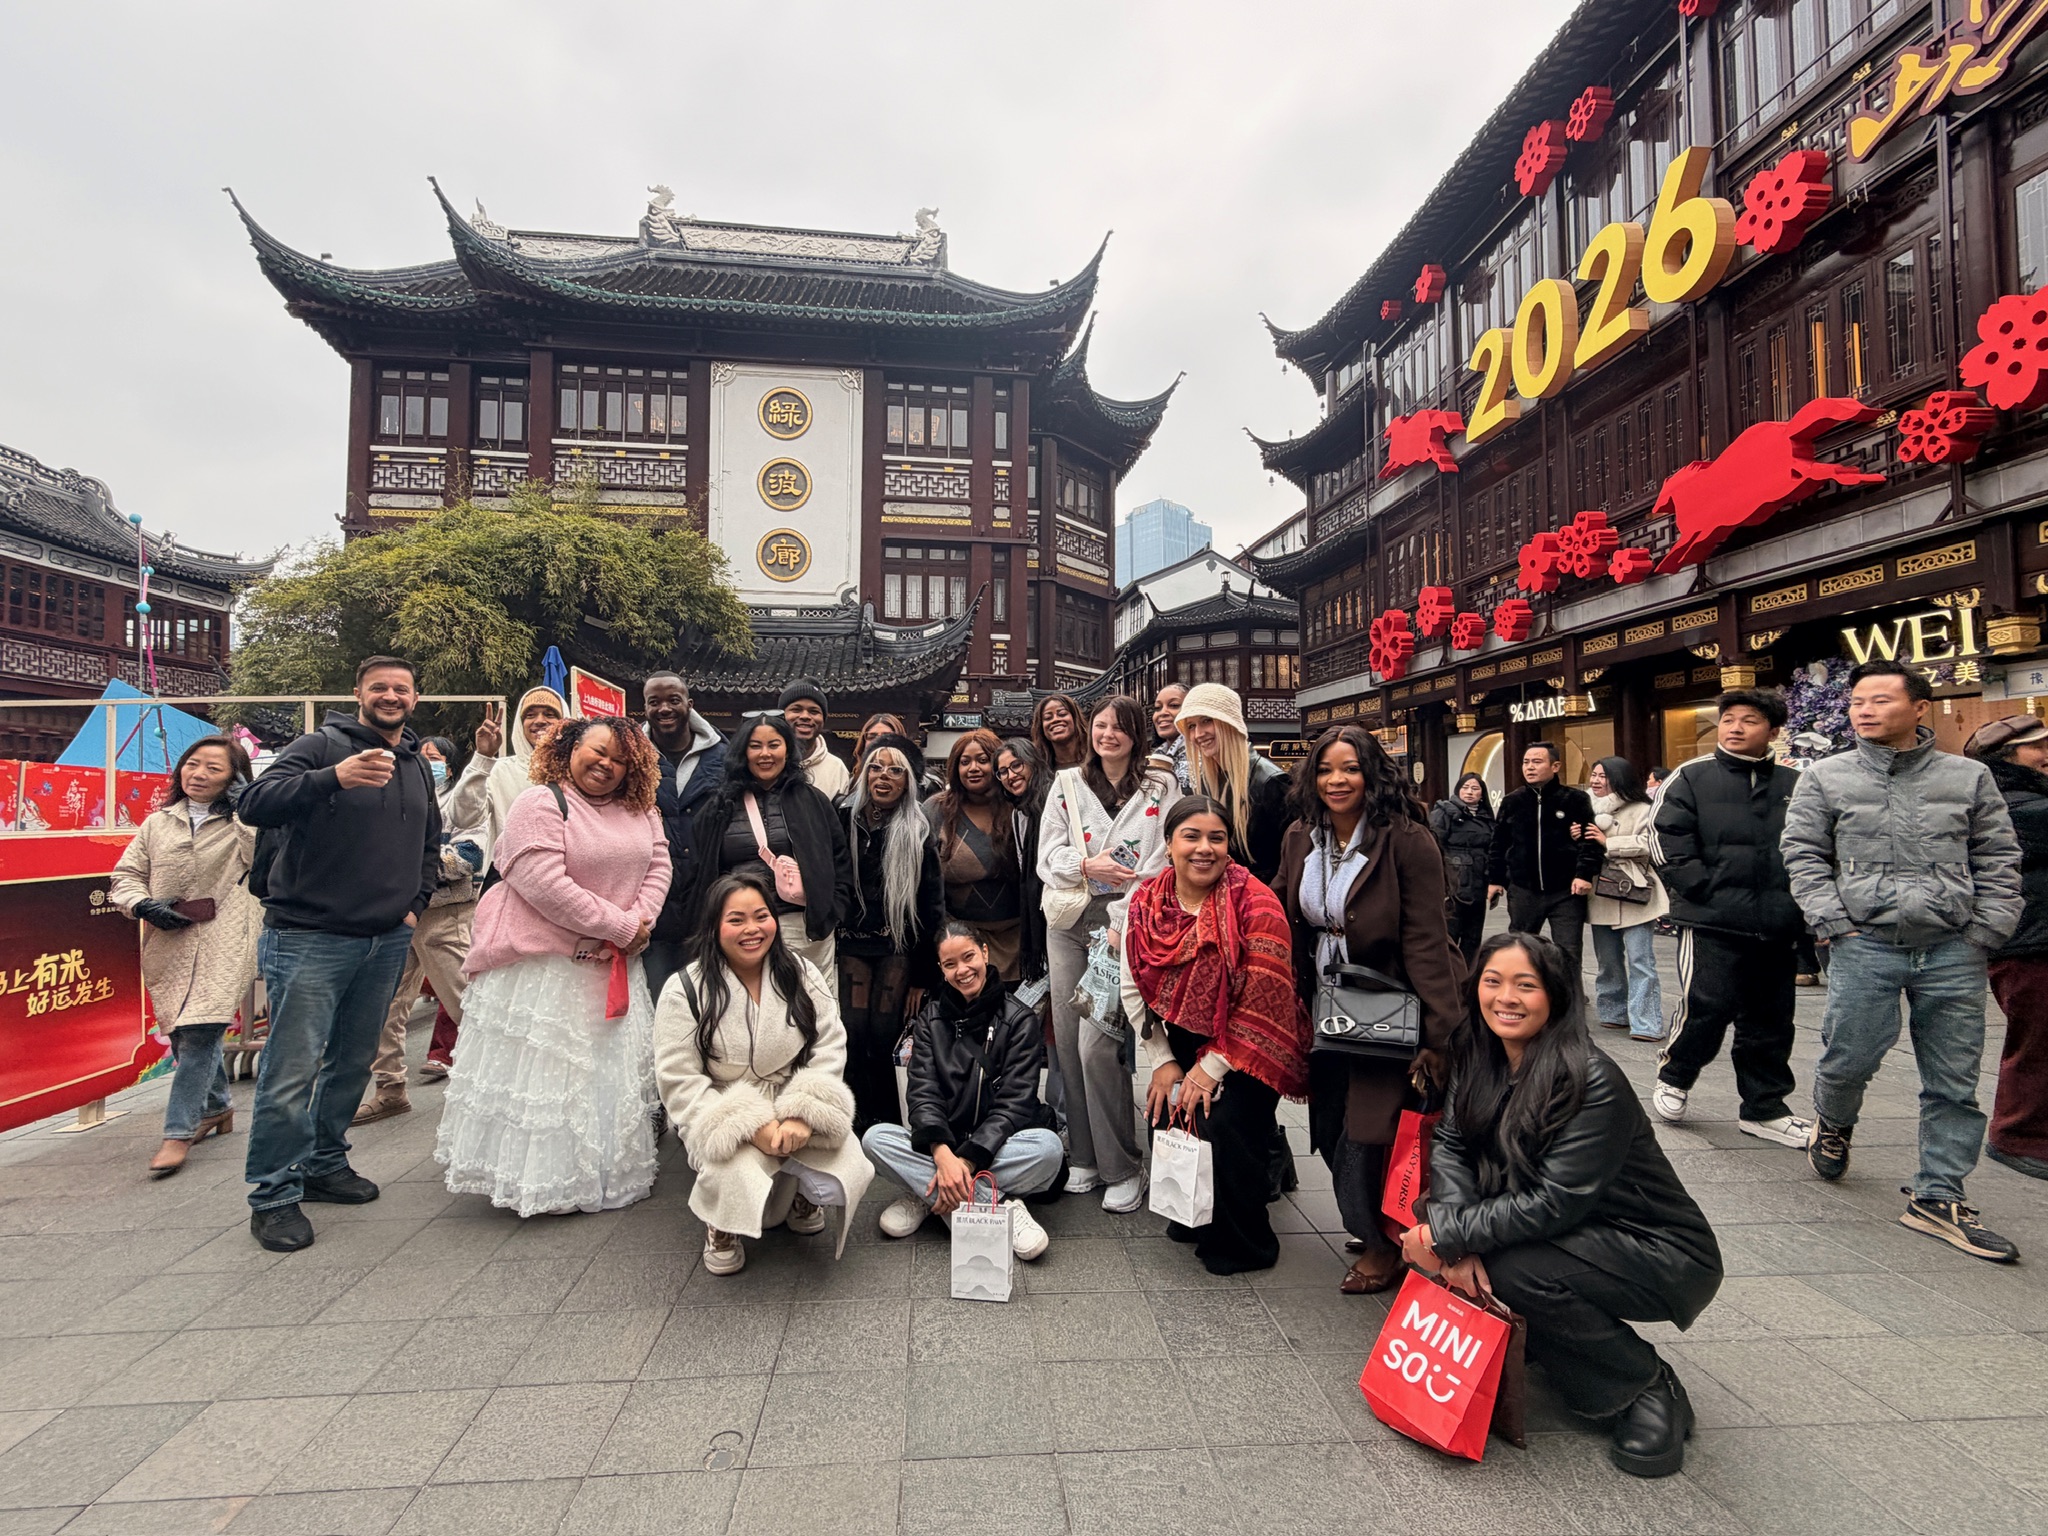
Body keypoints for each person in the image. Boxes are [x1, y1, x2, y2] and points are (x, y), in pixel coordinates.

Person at [1402, 933, 1722, 1480]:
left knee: (1510, 1268)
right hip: (1571, 1231)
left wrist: (1445, 1236)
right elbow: (1452, 1144)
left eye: (1526, 985)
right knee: (1457, 1232)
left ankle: (1642, 1384)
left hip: (1656, 1249)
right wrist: (1453, 1240)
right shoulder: (1478, 1054)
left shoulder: (1591, 1078)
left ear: (1556, 996)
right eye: (1493, 982)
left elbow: (1554, 1203)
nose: (1507, 998)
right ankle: (1555, 1343)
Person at [1784, 659, 2023, 1261]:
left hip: (1953, 947)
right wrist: (1833, 923)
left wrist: (1985, 931)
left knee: (1954, 1080)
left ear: (1920, 708)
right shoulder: (1825, 777)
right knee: (1848, 1061)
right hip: (1864, 944)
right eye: (1857, 700)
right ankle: (1833, 1122)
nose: (1864, 710)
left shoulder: (1968, 777)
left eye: (1881, 700)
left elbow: (1998, 855)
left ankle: (1938, 1194)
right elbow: (1803, 854)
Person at [235, 656, 442, 1252]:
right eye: (379, 686)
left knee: (353, 1062)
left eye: (401, 688)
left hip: (385, 939)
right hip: (309, 936)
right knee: (291, 1070)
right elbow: (254, 802)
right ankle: (273, 1194)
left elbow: (430, 840)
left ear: (415, 698)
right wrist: (334, 778)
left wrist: (415, 903)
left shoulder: (415, 766)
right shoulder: (320, 746)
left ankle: (325, 1162)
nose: (390, 696)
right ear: (358, 693)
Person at [435, 716, 670, 1216]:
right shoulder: (540, 801)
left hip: (611, 961)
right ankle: (541, 1182)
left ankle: (604, 1171)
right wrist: (622, 927)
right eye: (598, 752)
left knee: (603, 1075)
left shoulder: (641, 808)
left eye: (621, 759)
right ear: (569, 747)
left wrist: (637, 921)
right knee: (551, 1080)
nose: (607, 765)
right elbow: (540, 880)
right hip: (544, 967)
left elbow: (659, 865)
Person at [1278, 725, 1463, 1293]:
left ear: (1372, 774)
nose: (1338, 780)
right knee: (1331, 1121)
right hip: (1324, 1005)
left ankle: (1383, 1243)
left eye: (1351, 768)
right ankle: (1375, 1221)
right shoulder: (1300, 837)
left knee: (1371, 1127)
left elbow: (1427, 940)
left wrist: (1438, 1035)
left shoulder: (1405, 840)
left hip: (1390, 1005)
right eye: (1327, 769)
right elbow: (1275, 905)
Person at [1123, 797, 1311, 1274]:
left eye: (1217, 838)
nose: (1204, 848)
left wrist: (1208, 1071)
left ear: (1230, 847)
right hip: (1184, 1041)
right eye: (1191, 836)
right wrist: (1165, 1062)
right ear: (1169, 845)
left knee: (1224, 1123)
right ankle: (1194, 1215)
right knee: (1165, 1111)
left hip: (1251, 1045)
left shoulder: (1256, 903)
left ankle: (1246, 1242)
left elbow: (1262, 1002)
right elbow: (1132, 986)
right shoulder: (1147, 903)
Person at [654, 873, 876, 1274]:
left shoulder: (801, 973)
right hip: (726, 1103)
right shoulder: (683, 989)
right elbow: (679, 1079)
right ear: (714, 926)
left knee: (845, 1157)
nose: (752, 929)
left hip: (791, 1092)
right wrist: (750, 1125)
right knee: (729, 1168)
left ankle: (800, 1194)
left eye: (761, 916)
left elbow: (829, 1043)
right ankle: (721, 1225)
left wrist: (803, 1112)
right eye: (736, 920)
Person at [1650, 689, 1811, 1146]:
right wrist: (1701, 888)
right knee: (1709, 1004)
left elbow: (1815, 846)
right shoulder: (1691, 777)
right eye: (1729, 720)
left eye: (1750, 721)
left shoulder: (1794, 784)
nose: (1736, 728)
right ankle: (1676, 1074)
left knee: (1772, 1019)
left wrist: (1801, 905)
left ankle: (1764, 1107)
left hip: (1777, 922)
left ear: (1774, 731)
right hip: (1711, 920)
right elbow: (1667, 838)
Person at [1038, 696, 1178, 1210]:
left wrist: (1124, 918)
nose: (1108, 735)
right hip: (1070, 921)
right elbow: (1047, 853)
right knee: (1070, 1042)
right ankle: (1085, 1156)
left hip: (1126, 925)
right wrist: (1085, 864)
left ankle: (1122, 1163)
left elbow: (1166, 859)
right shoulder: (1068, 783)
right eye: (1100, 726)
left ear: (1137, 733)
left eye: (1120, 727)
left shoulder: (1160, 785)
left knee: (1100, 1045)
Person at [862, 924, 1062, 1256]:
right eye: (950, 964)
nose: (963, 971)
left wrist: (965, 1163)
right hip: (943, 1141)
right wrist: (942, 1154)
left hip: (997, 1146)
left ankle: (932, 1192)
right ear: (941, 970)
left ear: (984, 952)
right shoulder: (930, 1020)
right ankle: (997, 1208)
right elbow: (922, 1092)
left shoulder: (1020, 1019)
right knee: (874, 1139)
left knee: (1048, 1148)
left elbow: (1015, 1103)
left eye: (969, 957)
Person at [111, 734, 259, 1178]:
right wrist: (141, 904)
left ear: (234, 778)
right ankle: (217, 1107)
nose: (199, 774)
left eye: (214, 768)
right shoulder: (157, 823)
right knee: (182, 1032)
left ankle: (178, 1132)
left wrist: (247, 808)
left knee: (199, 1030)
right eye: (193, 764)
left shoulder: (244, 823)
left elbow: (264, 859)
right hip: (169, 938)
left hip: (227, 935)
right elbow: (126, 875)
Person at [355, 723, 497, 1122]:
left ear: (450, 768)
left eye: (434, 760)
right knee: (384, 1006)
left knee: (467, 1006)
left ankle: (496, 1087)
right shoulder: (391, 797)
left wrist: (405, 863)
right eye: (420, 759)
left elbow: (469, 856)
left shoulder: (463, 802)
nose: (425, 765)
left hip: (444, 916)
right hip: (394, 918)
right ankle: (389, 1087)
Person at [687, 711, 853, 977]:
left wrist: (831, 909)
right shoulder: (719, 806)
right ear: (743, 752)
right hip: (741, 926)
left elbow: (839, 858)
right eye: (755, 746)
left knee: (807, 1008)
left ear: (787, 749)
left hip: (801, 926)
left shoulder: (812, 800)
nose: (765, 754)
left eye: (774, 744)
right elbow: (700, 867)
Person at [839, 734, 944, 1132]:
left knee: (885, 1034)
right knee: (853, 1030)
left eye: (895, 770)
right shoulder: (841, 817)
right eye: (877, 768)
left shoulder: (917, 830)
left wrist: (922, 977)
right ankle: (854, 1117)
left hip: (897, 945)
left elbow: (931, 907)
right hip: (851, 941)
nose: (884, 777)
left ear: (908, 781)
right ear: (865, 774)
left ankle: (889, 1118)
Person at [1967, 715, 2048, 1179]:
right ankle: (2017, 1136)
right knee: (2035, 1042)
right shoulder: (2015, 806)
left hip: (2032, 938)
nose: (2044, 754)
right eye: (2036, 747)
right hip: (2029, 942)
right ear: (2008, 758)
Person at [641, 672, 727, 1004]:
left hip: (708, 905)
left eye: (673, 700)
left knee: (707, 1004)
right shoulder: (631, 758)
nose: (664, 708)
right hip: (655, 910)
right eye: (654, 702)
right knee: (660, 1005)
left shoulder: (722, 756)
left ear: (689, 705)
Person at [1486, 741, 1600, 974]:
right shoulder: (1513, 801)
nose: (1529, 767)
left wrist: (1584, 874)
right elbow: (1498, 844)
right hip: (1523, 890)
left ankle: (1570, 1002)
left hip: (1566, 890)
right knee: (1520, 949)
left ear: (1555, 765)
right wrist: (1495, 879)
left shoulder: (1575, 799)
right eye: (1526, 762)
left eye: (1537, 762)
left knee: (1568, 952)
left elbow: (1590, 841)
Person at [925, 729, 1026, 978]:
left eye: (983, 760)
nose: (973, 768)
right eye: (965, 761)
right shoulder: (936, 809)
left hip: (1018, 938)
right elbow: (922, 880)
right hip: (958, 942)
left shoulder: (1020, 808)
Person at [1583, 757, 1668, 1042]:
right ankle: (1613, 1012)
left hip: (1636, 892)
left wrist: (1609, 843)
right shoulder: (1587, 810)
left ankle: (1646, 1022)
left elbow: (1652, 844)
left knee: (1641, 960)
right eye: (1593, 775)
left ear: (1619, 779)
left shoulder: (1644, 809)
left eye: (1602, 776)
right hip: (1601, 893)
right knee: (1607, 960)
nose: (1595, 780)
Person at [1177, 683, 1291, 884]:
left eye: (1207, 720)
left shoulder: (1270, 781)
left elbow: (1292, 859)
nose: (1198, 734)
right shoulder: (1207, 780)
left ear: (1230, 722)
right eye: (1192, 726)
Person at [479, 686, 567, 864]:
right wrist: (481, 759)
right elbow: (463, 817)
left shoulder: (578, 772)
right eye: (530, 715)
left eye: (550, 714)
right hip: (509, 880)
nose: (540, 721)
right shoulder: (501, 771)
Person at [995, 737, 1050, 988]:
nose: (1010, 775)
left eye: (1017, 765)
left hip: (1064, 909)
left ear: (1033, 763)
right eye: (1003, 771)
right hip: (1038, 909)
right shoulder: (1019, 813)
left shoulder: (1055, 797)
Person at [1431, 772, 1495, 966]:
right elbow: (1433, 844)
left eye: (1475, 788)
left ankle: (1467, 982)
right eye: (1465, 787)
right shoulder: (1444, 811)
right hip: (1454, 885)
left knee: (1473, 938)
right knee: (1450, 936)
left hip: (1478, 885)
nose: (1469, 792)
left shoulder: (1486, 817)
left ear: (1482, 793)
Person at [779, 680, 850, 800]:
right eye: (796, 709)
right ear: (782, 716)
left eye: (814, 711)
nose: (805, 716)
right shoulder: (769, 760)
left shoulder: (836, 768)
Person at [1031, 692, 1087, 771]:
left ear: (1075, 719)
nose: (1055, 720)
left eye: (1062, 714)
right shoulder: (1039, 769)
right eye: (1048, 718)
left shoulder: (1096, 759)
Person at [1151, 680, 1190, 791]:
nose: (1163, 712)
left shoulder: (1204, 754)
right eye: (1158, 708)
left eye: (1173, 705)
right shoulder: (1154, 757)